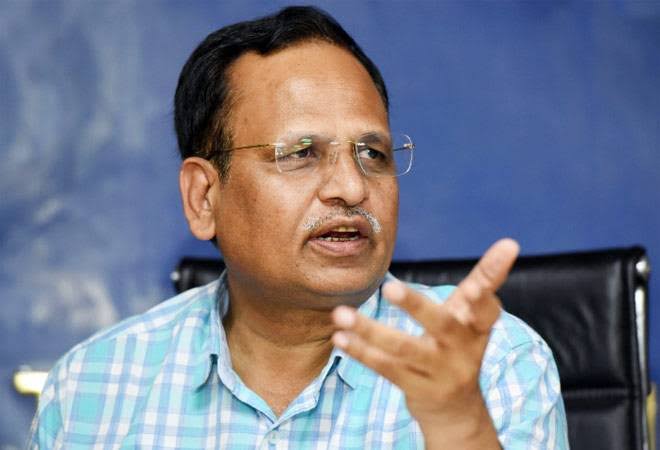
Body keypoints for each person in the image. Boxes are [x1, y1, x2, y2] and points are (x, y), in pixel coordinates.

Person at [29, 6, 568, 449]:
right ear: (203, 197)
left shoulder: (490, 365)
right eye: (301, 153)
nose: (351, 187)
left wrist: (458, 427)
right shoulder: (94, 387)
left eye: (372, 153)